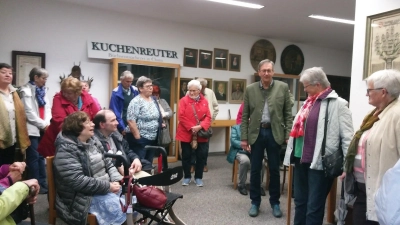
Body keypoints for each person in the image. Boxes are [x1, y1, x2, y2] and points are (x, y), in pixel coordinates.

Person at [282, 67, 353, 225]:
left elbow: (348, 138)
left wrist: (348, 166)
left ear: (318, 84)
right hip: (301, 160)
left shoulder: (339, 104)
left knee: (314, 207)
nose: (304, 89)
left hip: (320, 164)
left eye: (306, 86)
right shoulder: (308, 103)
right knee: (300, 203)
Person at [344, 69, 400, 225]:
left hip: (383, 191)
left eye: (369, 90)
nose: (366, 94)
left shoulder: (396, 115)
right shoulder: (373, 114)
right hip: (363, 188)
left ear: (383, 92)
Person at [241, 59, 293, 218]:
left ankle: (275, 202)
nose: (266, 73)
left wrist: (287, 135)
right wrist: (244, 138)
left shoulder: (283, 88)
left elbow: (287, 114)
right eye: (263, 70)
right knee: (255, 169)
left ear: (273, 72)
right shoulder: (250, 89)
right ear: (259, 72)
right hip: (256, 133)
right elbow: (245, 116)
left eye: (269, 70)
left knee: (274, 170)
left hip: (274, 133)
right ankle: (255, 202)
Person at [54, 111, 125, 225]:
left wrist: (118, 179)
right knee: (119, 207)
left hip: (102, 188)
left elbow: (107, 162)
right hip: (80, 197)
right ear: (77, 127)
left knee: (133, 196)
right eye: (88, 122)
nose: (92, 124)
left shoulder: (92, 141)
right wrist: (108, 186)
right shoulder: (66, 150)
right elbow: (78, 181)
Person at [37, 76, 100, 157]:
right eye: (64, 92)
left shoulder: (87, 98)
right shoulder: (58, 98)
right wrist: (82, 131)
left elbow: (96, 116)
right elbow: (59, 121)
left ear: (77, 92)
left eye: (69, 93)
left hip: (84, 139)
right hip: (61, 141)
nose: (65, 95)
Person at [19, 67, 51, 194]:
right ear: (35, 77)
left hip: (43, 128)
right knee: (33, 157)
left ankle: (43, 183)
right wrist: (43, 125)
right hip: (32, 129)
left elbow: (47, 108)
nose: (45, 81)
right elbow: (28, 113)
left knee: (41, 157)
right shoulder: (25, 90)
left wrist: (47, 123)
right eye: (43, 78)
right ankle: (35, 184)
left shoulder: (43, 90)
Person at [176, 80, 211, 187]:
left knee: (201, 156)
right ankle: (187, 177)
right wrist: (192, 127)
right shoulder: (183, 101)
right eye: (189, 90)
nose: (191, 93)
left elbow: (208, 117)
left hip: (200, 133)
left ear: (199, 90)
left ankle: (198, 177)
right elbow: (181, 116)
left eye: (194, 91)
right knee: (186, 156)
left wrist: (199, 126)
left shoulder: (205, 101)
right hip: (186, 132)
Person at [93, 109, 144, 176]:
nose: (117, 123)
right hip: (112, 178)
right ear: (102, 124)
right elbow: (103, 165)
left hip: (126, 169)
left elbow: (127, 151)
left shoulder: (116, 135)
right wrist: (121, 169)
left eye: (116, 119)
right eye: (113, 120)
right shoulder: (94, 142)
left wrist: (135, 159)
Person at [227, 107, 266, 196]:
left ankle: (258, 185)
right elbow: (233, 140)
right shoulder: (236, 128)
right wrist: (244, 146)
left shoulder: (257, 129)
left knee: (262, 162)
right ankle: (242, 185)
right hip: (240, 151)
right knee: (245, 161)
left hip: (254, 151)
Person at [125, 76, 161, 165]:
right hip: (141, 140)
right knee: (139, 164)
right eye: (147, 86)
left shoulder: (153, 99)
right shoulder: (136, 101)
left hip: (152, 138)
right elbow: (130, 121)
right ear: (140, 89)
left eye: (151, 85)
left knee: (148, 163)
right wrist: (138, 138)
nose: (151, 88)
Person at [0, 63, 30, 165]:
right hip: (1, 139)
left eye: (10, 73)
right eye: (3, 72)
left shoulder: (15, 93)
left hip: (11, 140)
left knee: (8, 169)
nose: (8, 75)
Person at [190, 78, 218, 173]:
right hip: (193, 125)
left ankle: (203, 164)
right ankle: (192, 165)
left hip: (205, 125)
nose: (201, 89)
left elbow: (216, 107)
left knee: (204, 146)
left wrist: (210, 120)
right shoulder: (190, 92)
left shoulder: (210, 93)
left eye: (203, 87)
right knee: (193, 146)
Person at [109, 71, 139, 135]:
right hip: (123, 122)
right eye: (127, 81)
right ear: (121, 80)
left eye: (131, 82)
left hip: (134, 122)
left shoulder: (135, 91)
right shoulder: (116, 93)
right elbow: (115, 112)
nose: (129, 84)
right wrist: (122, 127)